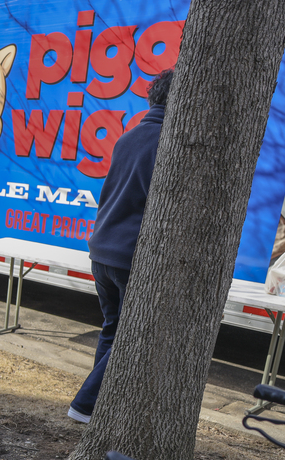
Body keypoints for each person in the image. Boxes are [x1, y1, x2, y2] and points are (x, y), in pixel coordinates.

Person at [69, 69, 173, 423]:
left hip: (102, 249)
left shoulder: (128, 138)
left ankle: (98, 404)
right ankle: (85, 405)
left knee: (113, 328)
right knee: (128, 336)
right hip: (130, 255)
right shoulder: (169, 144)